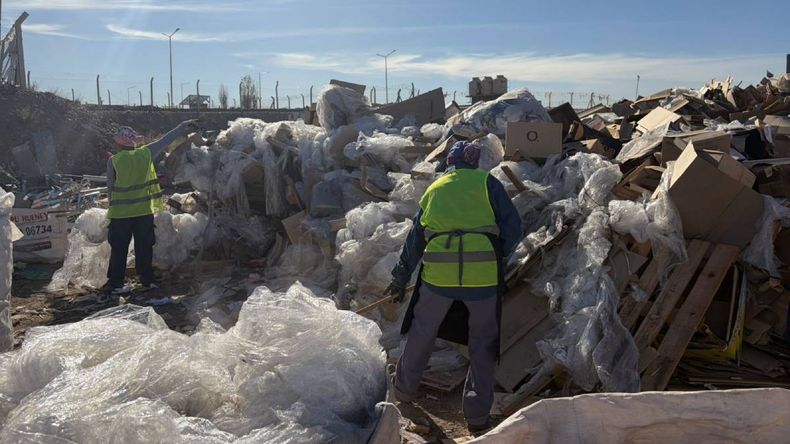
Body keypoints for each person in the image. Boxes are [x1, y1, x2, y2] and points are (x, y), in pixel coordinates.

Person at [385, 141, 522, 433]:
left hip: (439, 279)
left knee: (422, 332)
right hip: (483, 279)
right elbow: (514, 228)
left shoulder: (435, 189)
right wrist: (497, 254)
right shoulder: (488, 183)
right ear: (474, 162)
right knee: (482, 344)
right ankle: (477, 417)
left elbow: (415, 241)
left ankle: (404, 391)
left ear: (449, 162)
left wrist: (399, 278)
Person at [106, 121, 197, 294]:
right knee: (144, 247)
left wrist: (110, 213)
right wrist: (182, 126)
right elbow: (166, 140)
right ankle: (146, 280)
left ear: (119, 143)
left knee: (119, 248)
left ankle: (116, 283)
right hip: (143, 212)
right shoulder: (146, 153)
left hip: (120, 214)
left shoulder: (114, 161)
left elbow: (110, 189)